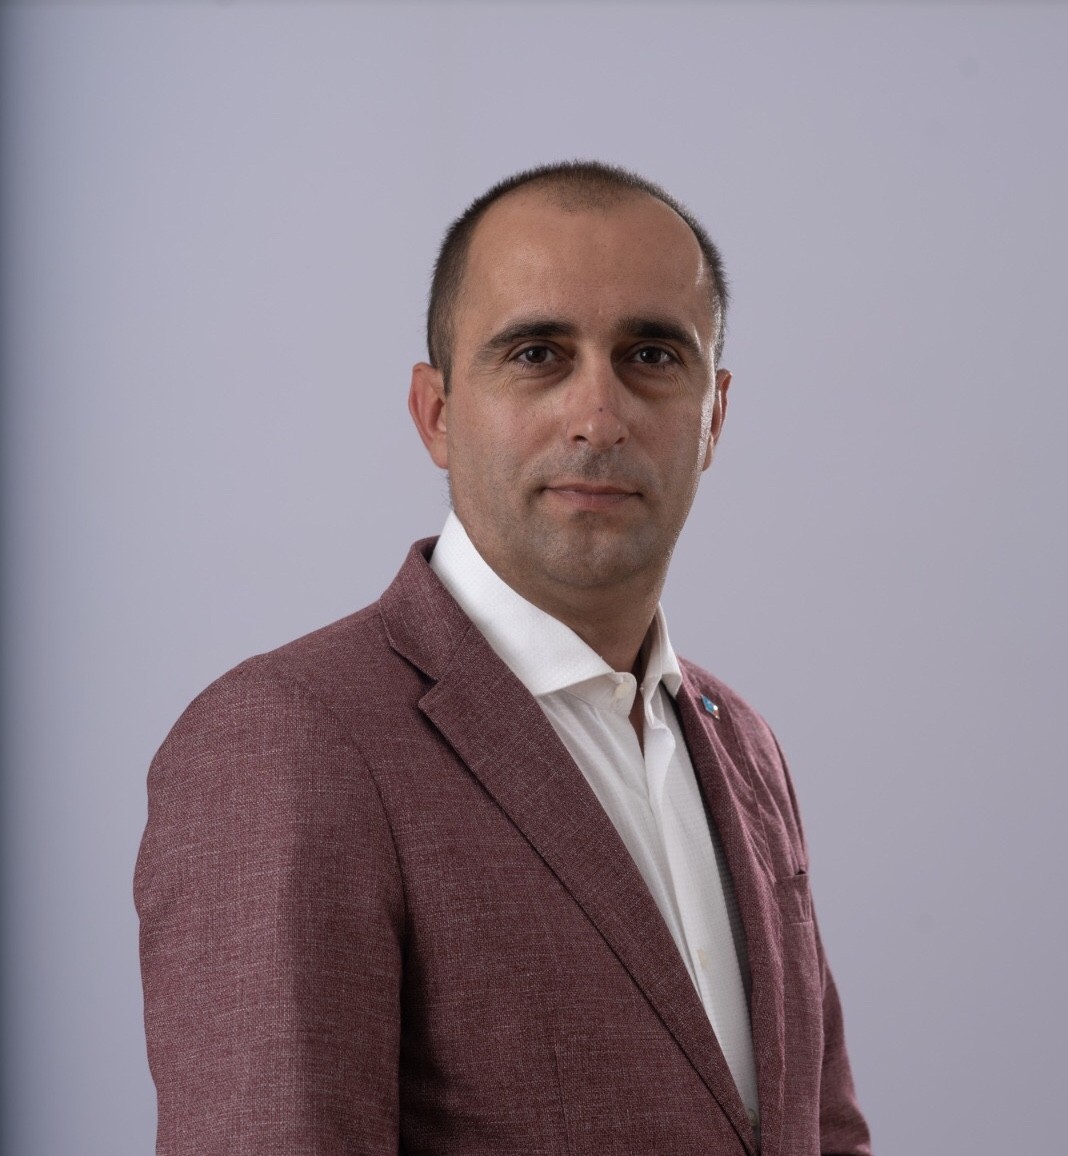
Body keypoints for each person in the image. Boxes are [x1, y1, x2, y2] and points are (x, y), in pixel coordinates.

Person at [135, 161, 872, 1155]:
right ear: (436, 412)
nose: (598, 416)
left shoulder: (744, 746)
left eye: (653, 354)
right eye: (536, 353)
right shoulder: (289, 740)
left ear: (715, 416)